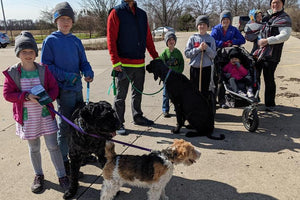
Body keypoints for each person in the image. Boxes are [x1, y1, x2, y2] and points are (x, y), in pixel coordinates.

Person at [2, 31, 69, 193]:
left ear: (35, 53)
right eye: (24, 52)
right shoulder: (13, 73)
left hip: (45, 116)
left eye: (31, 51)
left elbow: (54, 89)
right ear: (18, 53)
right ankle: (38, 175)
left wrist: (47, 98)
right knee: (34, 148)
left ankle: (62, 175)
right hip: (28, 118)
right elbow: (7, 94)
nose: (28, 55)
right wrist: (25, 96)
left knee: (53, 146)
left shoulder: (43, 70)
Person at [41, 2, 94, 174]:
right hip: (63, 91)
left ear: (72, 21)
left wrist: (87, 71)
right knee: (65, 126)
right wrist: (66, 75)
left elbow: (83, 62)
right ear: (56, 21)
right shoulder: (50, 41)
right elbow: (46, 66)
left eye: (68, 19)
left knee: (80, 124)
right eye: (62, 19)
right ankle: (63, 160)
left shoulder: (76, 41)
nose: (65, 22)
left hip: (78, 88)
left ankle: (80, 153)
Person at [107, 0, 159, 135]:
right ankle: (118, 123)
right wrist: (115, 61)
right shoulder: (116, 13)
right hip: (123, 65)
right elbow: (111, 39)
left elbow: (148, 38)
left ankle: (138, 116)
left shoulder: (142, 14)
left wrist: (155, 57)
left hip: (139, 63)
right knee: (120, 96)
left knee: (138, 93)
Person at [255, 0, 292, 111]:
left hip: (272, 55)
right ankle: (255, 99)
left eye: (278, 2)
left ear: (282, 4)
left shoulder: (284, 18)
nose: (275, 5)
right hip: (260, 52)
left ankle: (270, 104)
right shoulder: (268, 16)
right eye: (273, 2)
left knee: (269, 78)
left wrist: (267, 41)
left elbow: (285, 36)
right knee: (255, 76)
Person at [211, 10, 246, 108]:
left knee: (223, 79)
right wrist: (223, 43)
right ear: (221, 20)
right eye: (223, 19)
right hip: (217, 57)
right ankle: (213, 101)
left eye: (227, 19)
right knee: (215, 79)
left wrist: (233, 41)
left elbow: (242, 40)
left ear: (230, 20)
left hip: (228, 58)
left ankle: (222, 100)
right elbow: (211, 40)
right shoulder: (216, 29)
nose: (225, 21)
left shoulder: (233, 29)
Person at [185, 15, 217, 100]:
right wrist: (198, 49)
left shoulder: (211, 39)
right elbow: (187, 54)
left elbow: (213, 55)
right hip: (195, 69)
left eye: (204, 24)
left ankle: (204, 109)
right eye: (200, 24)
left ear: (207, 26)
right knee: (194, 91)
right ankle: (195, 109)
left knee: (205, 90)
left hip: (206, 68)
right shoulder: (192, 38)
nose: (202, 26)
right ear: (197, 26)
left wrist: (207, 49)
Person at [160, 32, 184, 118]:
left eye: (173, 39)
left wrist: (179, 72)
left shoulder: (178, 53)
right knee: (166, 94)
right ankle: (165, 109)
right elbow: (161, 65)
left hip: (176, 78)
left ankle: (177, 108)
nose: (171, 41)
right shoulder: (164, 53)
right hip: (167, 79)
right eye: (169, 40)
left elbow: (181, 63)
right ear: (166, 42)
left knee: (176, 94)